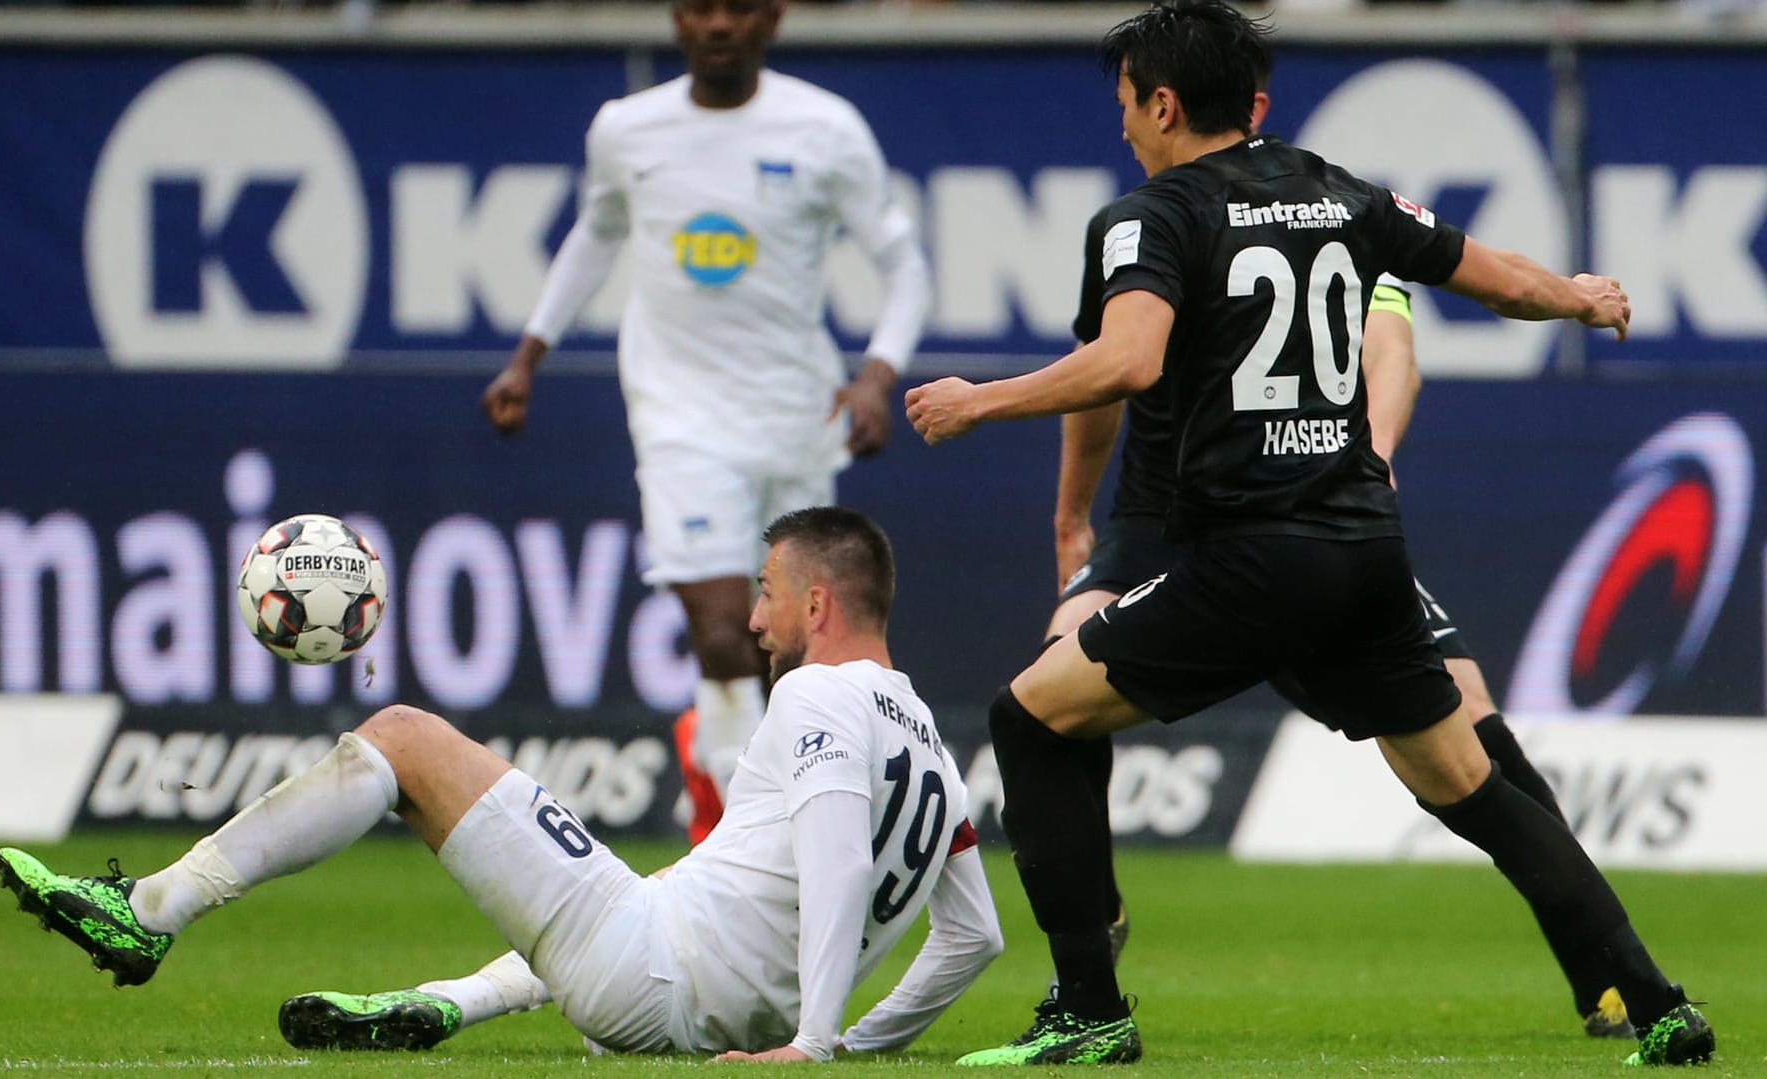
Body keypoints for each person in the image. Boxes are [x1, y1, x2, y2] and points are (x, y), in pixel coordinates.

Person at [905, 1, 1713, 1067]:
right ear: (1256, 102)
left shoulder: (1148, 217)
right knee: (1468, 781)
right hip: (1364, 548)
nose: (1122, 130)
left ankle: (1088, 1009)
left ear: (1161, 102)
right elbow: (1489, 272)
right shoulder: (1338, 191)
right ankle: (1656, 1002)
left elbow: (1130, 361)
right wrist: (1576, 297)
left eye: (1124, 108)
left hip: (1249, 553)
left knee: (1033, 719)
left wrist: (979, 401)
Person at [1050, 65, 1631, 1039]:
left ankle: (1606, 973)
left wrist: (1372, 456)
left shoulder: (1330, 213)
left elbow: (1389, 346)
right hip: (1166, 520)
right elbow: (1108, 377)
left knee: (1472, 715)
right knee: (1056, 672)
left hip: (1308, 513)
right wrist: (1076, 516)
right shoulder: (1158, 224)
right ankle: (1093, 923)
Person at [0, 507, 1001, 1063]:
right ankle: (445, 1003)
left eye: (769, 591)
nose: (755, 618)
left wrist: (820, 1044)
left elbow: (830, 854)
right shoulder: (933, 751)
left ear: (819, 600)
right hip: (703, 993)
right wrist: (864, 1039)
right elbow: (973, 939)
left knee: (402, 737)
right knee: (635, 881)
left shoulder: (818, 694)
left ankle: (152, 910)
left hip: (660, 976)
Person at [481, 0, 931, 843]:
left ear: (772, 19)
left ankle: (778, 797)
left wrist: (876, 377)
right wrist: (528, 355)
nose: (718, 24)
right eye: (700, 8)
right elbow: (596, 233)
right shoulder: (627, 129)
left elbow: (902, 263)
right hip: (679, 414)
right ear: (677, 20)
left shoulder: (823, 128)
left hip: (798, 417)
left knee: (800, 652)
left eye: (737, 9)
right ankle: (734, 835)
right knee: (726, 627)